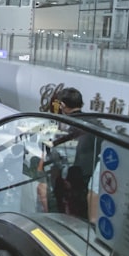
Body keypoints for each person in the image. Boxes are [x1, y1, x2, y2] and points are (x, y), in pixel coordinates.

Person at [43, 88, 99, 218]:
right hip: (94, 184)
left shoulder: (70, 127)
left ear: (62, 105)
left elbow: (60, 157)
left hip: (75, 185)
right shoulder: (94, 123)